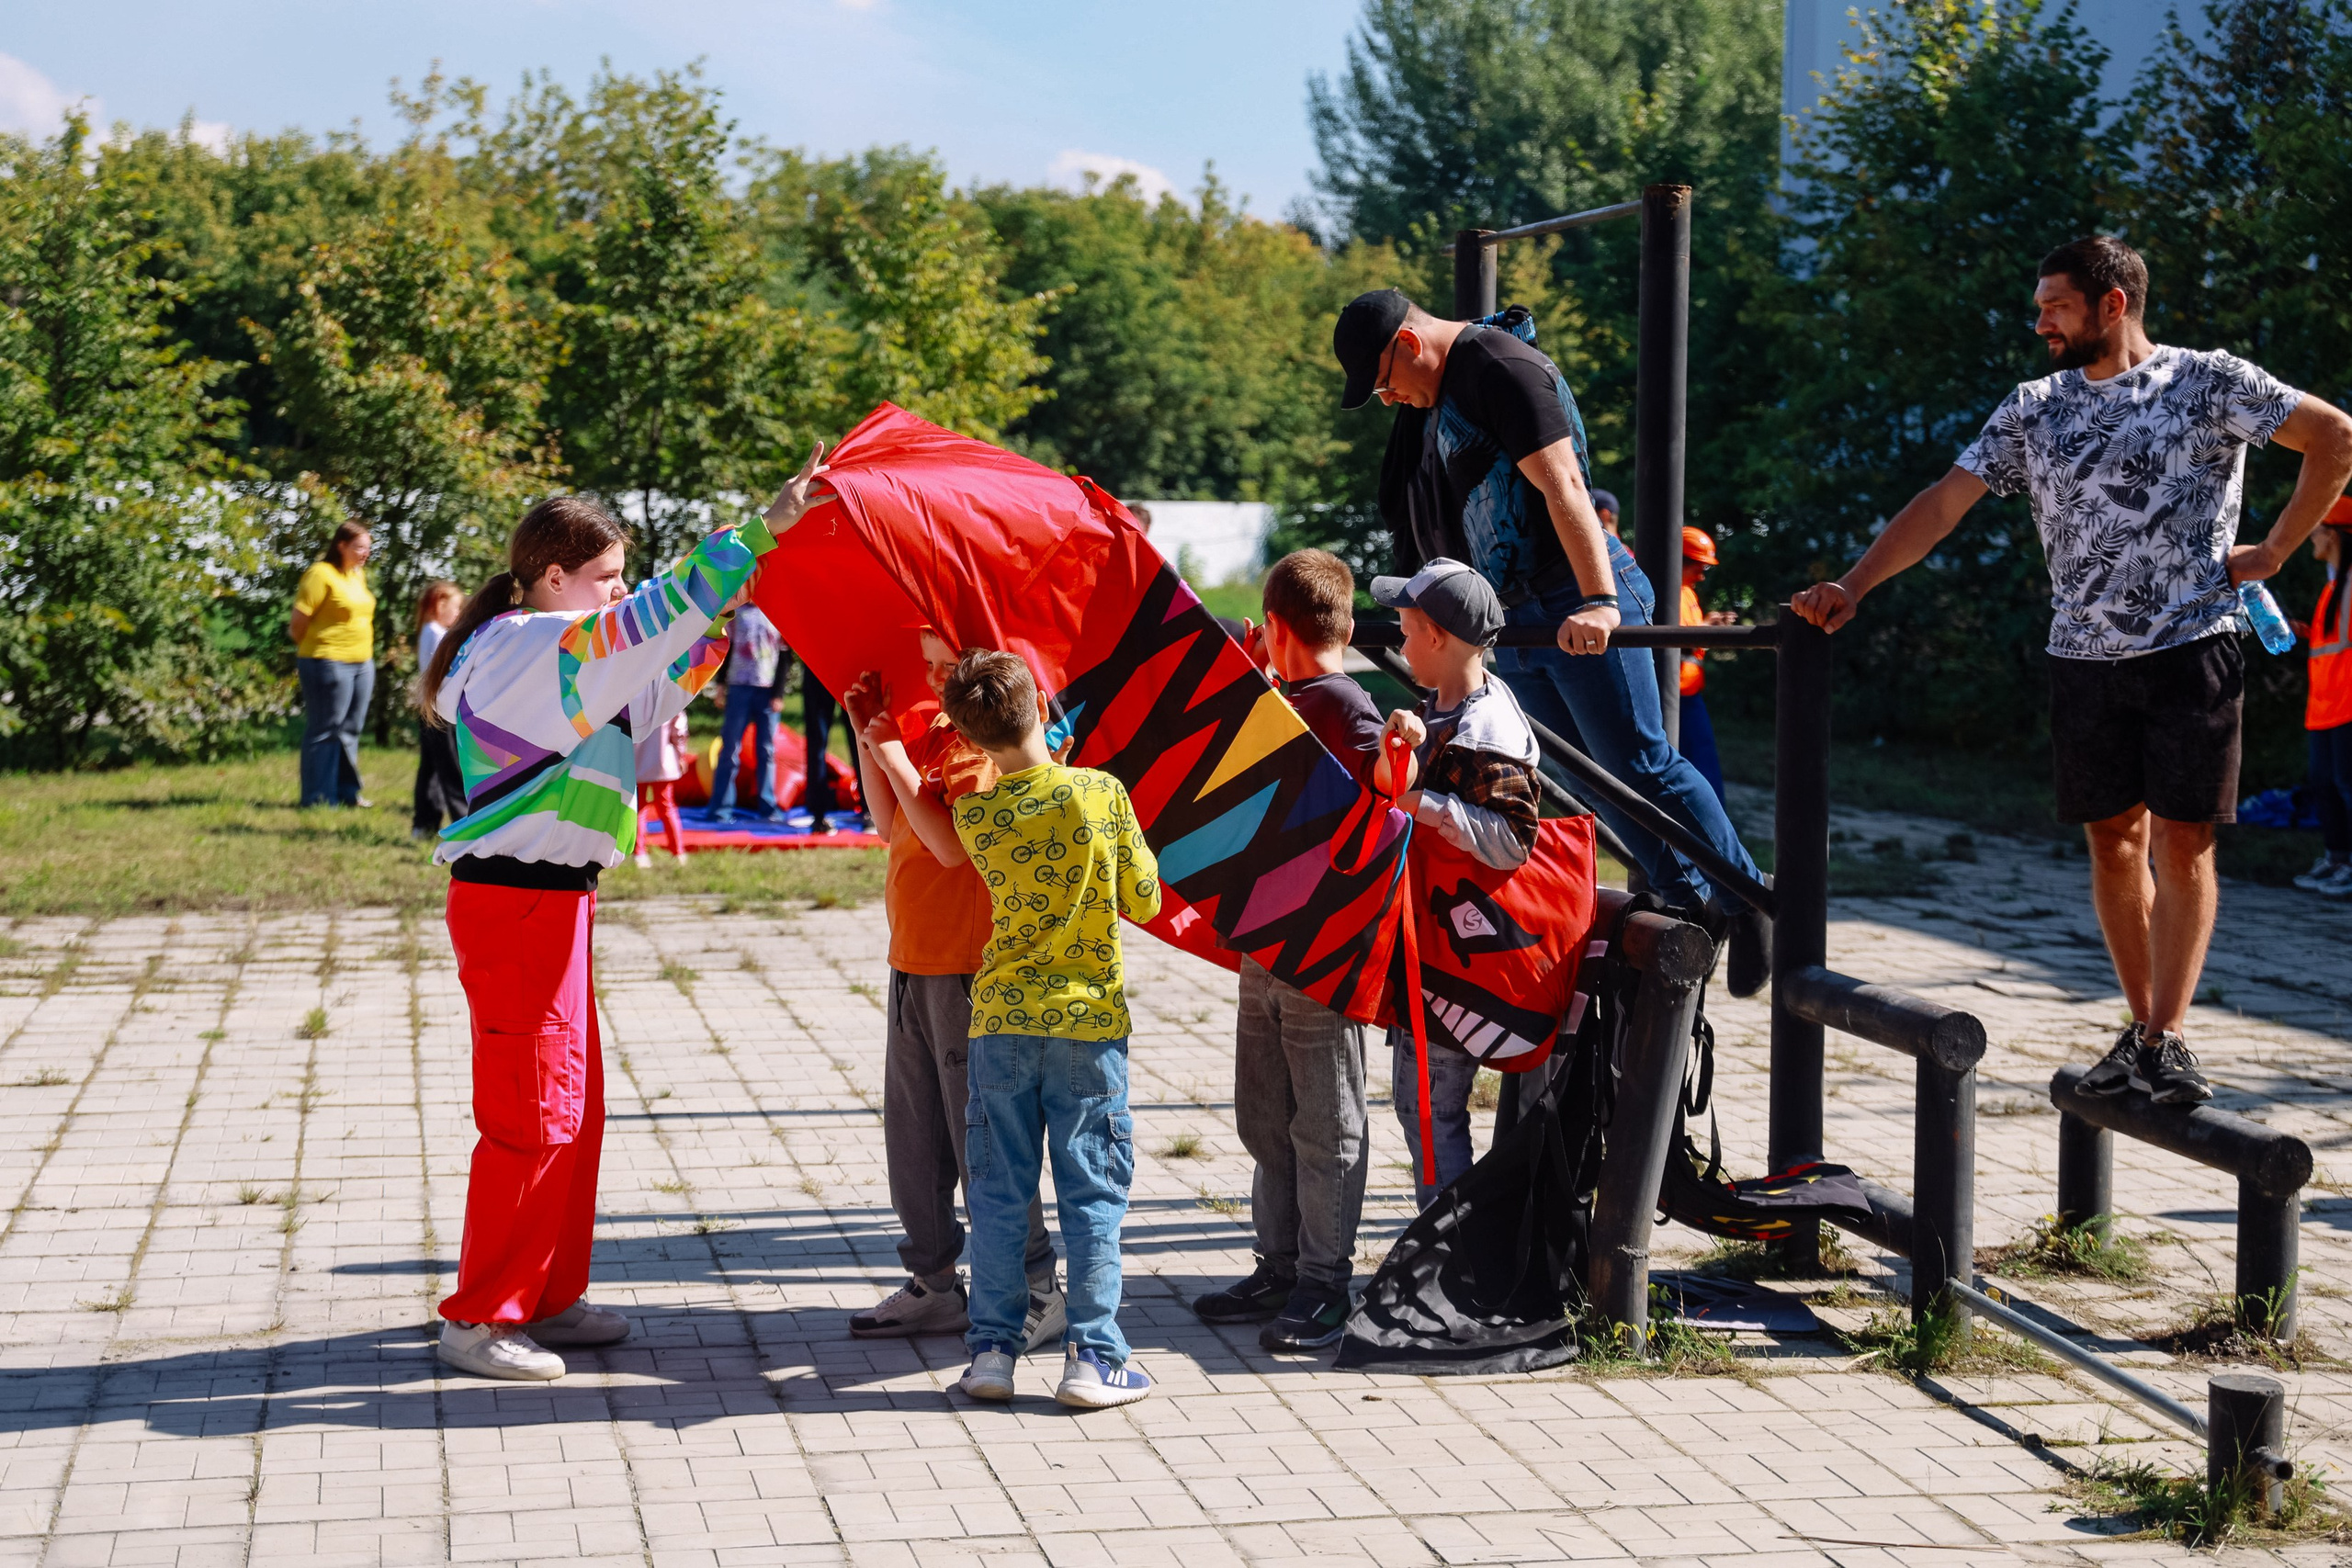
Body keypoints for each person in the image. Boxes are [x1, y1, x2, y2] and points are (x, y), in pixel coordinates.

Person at [1790, 235, 2352, 1105]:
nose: (2040, 319)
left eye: (2055, 303)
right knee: (2112, 840)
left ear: (2112, 304)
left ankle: (2168, 1035)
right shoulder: (2033, 407)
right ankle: (2143, 1030)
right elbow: (1944, 503)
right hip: (2081, 656)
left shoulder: (2208, 381)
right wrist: (1856, 583)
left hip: (2192, 643)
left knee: (2183, 837)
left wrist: (2277, 549)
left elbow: (2335, 436)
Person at [418, 443, 830, 1381]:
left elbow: (658, 683)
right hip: (517, 907)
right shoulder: (526, 646)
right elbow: (647, 624)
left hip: (554, 909)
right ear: (551, 576)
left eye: (622, 577)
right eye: (604, 577)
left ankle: (547, 1296)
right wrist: (758, 531)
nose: (618, 591)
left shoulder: (564, 654)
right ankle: (480, 1320)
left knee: (574, 1110)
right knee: (532, 1117)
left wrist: (741, 602)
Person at [1332, 288, 1771, 993]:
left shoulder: (1500, 366)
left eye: (1385, 385)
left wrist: (1599, 601)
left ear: (1408, 346)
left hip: (1578, 593)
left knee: (1641, 760)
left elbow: (1565, 481)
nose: (1390, 401)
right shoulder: (1442, 396)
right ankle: (1685, 898)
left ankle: (1747, 897)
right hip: (1523, 612)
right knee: (1587, 772)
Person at [941, 649, 1161, 1410]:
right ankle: (1094, 1355)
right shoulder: (1100, 792)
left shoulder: (977, 814)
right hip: (1088, 1024)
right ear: (1041, 700)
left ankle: (993, 1351)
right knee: (1091, 1194)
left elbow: (1003, 793)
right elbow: (1147, 897)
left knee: (1000, 1194)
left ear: (970, 736)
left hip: (999, 1021)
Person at [838, 629, 1063, 1348]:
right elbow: (890, 822)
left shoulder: (975, 741)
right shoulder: (938, 730)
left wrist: (895, 755)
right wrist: (869, 740)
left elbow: (951, 845)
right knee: (914, 1136)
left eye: (944, 666)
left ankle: (1037, 1287)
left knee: (985, 1143)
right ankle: (934, 1283)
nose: (933, 680)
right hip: (915, 960)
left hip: (965, 968)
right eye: (929, 666)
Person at [1193, 549, 1382, 1351]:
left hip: (1319, 951)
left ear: (1276, 626)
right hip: (1264, 944)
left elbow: (1381, 786)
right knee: (1266, 1114)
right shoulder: (1290, 691)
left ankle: (1324, 1281)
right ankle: (1278, 1264)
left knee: (1325, 1121)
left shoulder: (1343, 701)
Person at [1367, 559, 1541, 1207]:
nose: (1401, 644)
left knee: (1432, 1111)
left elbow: (1511, 841)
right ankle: (1446, 1246)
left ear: (1437, 636)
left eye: (1407, 631)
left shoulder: (1487, 730)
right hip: (1430, 946)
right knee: (1420, 1108)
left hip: (1464, 953)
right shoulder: (1440, 706)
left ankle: (1449, 1257)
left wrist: (1423, 803)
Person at [290, 521, 378, 809]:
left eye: (367, 547)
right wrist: (317, 649)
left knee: (350, 729)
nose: (365, 552)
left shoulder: (357, 575)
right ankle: (317, 798)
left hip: (362, 662)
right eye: (359, 547)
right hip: (326, 662)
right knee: (326, 729)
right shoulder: (320, 574)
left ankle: (346, 793)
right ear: (341, 545)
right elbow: (298, 623)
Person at [2294, 501, 2352, 897]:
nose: (2311, 537)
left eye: (2316, 529)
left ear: (2332, 534)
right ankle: (2337, 859)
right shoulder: (2333, 587)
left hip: (2346, 705)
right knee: (2325, 784)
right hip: (2324, 708)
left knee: (2346, 785)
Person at [711, 603, 786, 822]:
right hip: (738, 685)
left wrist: (779, 693)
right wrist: (721, 686)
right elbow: (728, 647)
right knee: (730, 747)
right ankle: (721, 808)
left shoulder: (775, 612)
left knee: (766, 750)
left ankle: (767, 806)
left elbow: (784, 654)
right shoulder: (737, 612)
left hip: (767, 687)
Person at [411, 581, 467, 840]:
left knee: (431, 768)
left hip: (429, 710)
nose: (458, 614)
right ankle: (462, 822)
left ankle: (425, 824)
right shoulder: (437, 633)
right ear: (439, 605)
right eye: (455, 608)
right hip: (441, 711)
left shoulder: (428, 631)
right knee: (450, 767)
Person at [1678, 527, 1729, 807]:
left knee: (1702, 761)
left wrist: (1709, 626)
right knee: (1698, 763)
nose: (1702, 574)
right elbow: (1677, 638)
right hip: (1672, 697)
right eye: (1699, 566)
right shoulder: (1665, 591)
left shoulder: (1688, 594)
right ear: (1681, 560)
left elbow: (1691, 640)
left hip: (1689, 692)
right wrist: (1706, 628)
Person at [633, 708, 693, 869]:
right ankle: (678, 851)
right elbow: (678, 729)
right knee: (667, 806)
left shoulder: (632, 691)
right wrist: (681, 754)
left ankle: (639, 853)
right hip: (663, 759)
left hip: (636, 757)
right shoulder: (669, 691)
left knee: (638, 807)